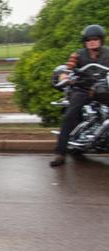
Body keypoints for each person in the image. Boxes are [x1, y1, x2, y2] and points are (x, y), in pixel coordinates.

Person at [51, 24, 109, 167]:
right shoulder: (78, 55)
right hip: (83, 89)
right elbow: (68, 67)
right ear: (85, 42)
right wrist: (64, 75)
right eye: (89, 40)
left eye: (95, 39)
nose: (92, 42)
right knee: (70, 115)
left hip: (103, 89)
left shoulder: (108, 53)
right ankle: (60, 154)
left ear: (101, 40)